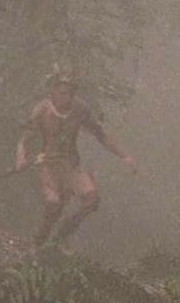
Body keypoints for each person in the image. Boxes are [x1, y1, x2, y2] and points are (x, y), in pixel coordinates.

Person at [13, 72, 136, 248]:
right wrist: (21, 157)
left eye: (70, 93)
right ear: (53, 92)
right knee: (54, 206)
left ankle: (62, 236)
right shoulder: (42, 110)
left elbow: (101, 135)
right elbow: (25, 139)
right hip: (48, 164)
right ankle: (38, 243)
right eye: (62, 93)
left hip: (71, 165)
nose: (67, 97)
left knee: (92, 199)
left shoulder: (80, 109)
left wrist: (124, 155)